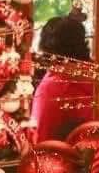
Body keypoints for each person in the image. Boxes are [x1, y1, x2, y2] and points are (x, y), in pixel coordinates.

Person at [30, 9, 94, 141]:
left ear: (47, 47)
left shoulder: (53, 86)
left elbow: (40, 137)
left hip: (61, 152)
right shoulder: (96, 75)